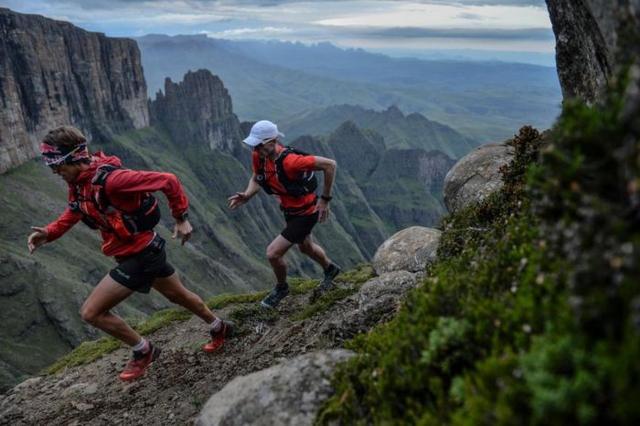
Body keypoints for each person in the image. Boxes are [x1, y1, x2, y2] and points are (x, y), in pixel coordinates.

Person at [27, 126, 231, 381]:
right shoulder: (78, 183)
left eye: (58, 165)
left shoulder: (112, 180)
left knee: (91, 313)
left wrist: (180, 218)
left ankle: (144, 350)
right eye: (51, 167)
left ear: (75, 158)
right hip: (141, 251)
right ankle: (220, 327)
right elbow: (75, 210)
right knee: (178, 295)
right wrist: (50, 232)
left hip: (142, 255)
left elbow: (168, 180)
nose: (55, 171)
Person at [228, 120, 341, 308]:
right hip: (290, 211)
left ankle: (282, 288)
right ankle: (331, 269)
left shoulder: (291, 162)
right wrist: (247, 194)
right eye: (254, 145)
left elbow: (330, 165)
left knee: (273, 253)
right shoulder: (260, 156)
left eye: (259, 145)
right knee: (306, 247)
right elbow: (258, 178)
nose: (255, 149)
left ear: (272, 141)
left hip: (307, 212)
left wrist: (325, 199)